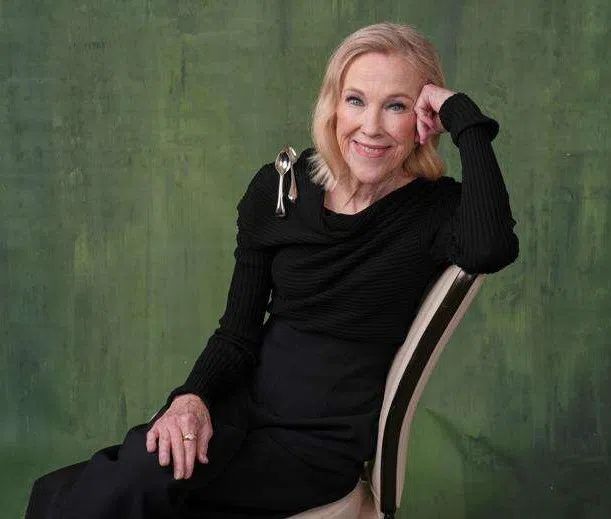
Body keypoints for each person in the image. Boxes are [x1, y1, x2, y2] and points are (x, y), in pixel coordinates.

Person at [25, 22, 518, 519]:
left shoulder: (436, 210)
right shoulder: (281, 190)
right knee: (79, 489)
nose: (370, 126)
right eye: (355, 100)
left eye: (397, 106)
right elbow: (236, 333)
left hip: (315, 445)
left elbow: (491, 247)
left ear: (423, 119)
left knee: (105, 498)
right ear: (332, 106)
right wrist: (191, 397)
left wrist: (463, 116)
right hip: (237, 409)